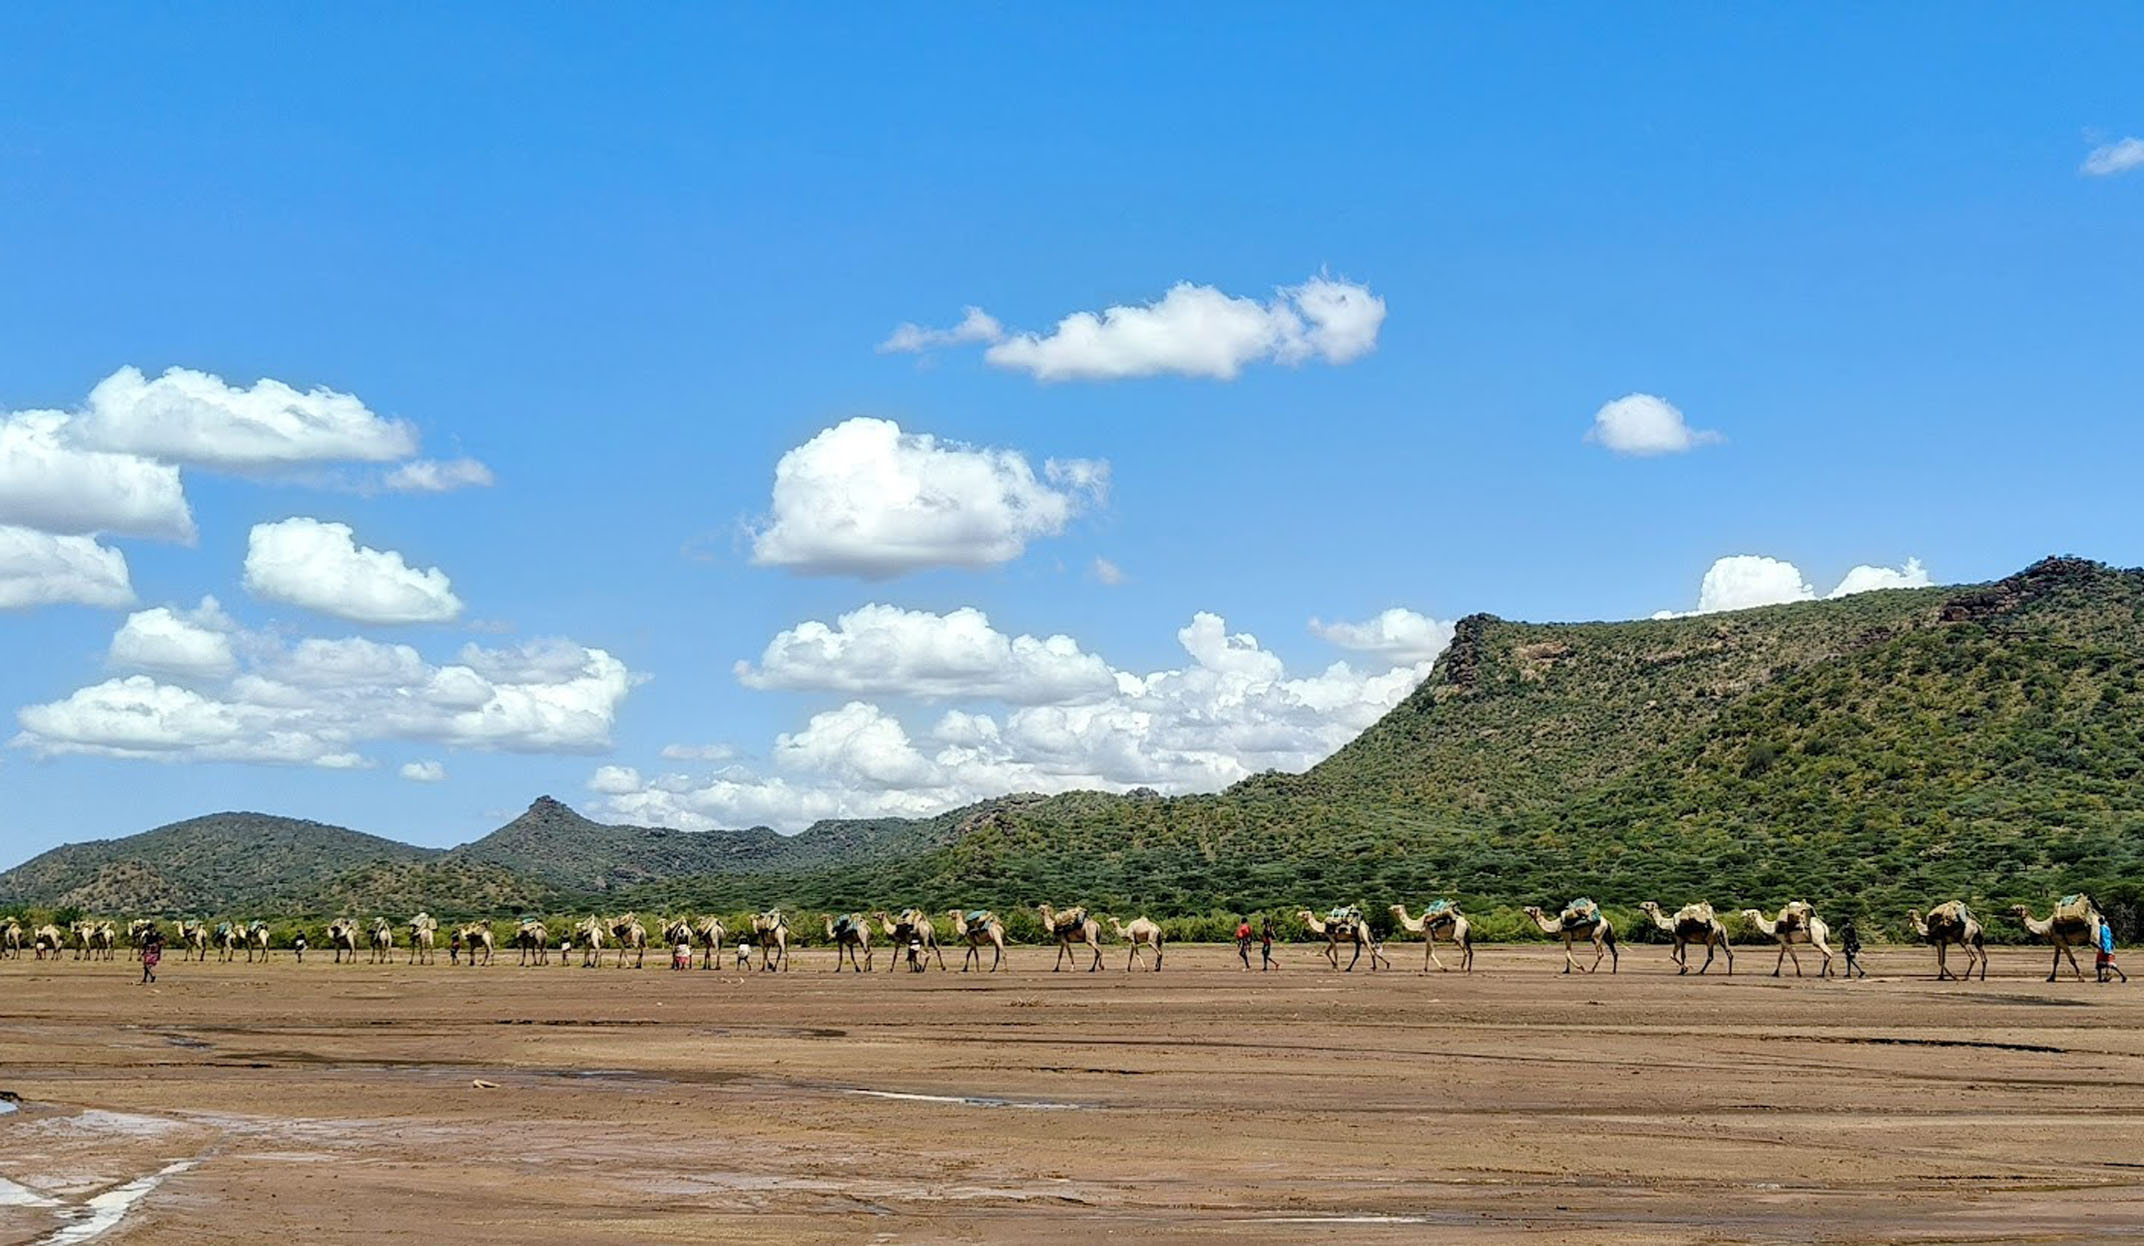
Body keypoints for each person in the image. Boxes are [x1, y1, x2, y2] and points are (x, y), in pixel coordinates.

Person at [2098, 919, 2126, 984]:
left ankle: (2123, 976)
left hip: (2105, 948)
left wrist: (2103, 947)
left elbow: (2103, 938)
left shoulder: (2102, 928)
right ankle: (2100, 979)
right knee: (2102, 964)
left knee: (2105, 964)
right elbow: (2109, 938)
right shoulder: (2107, 928)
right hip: (2108, 947)